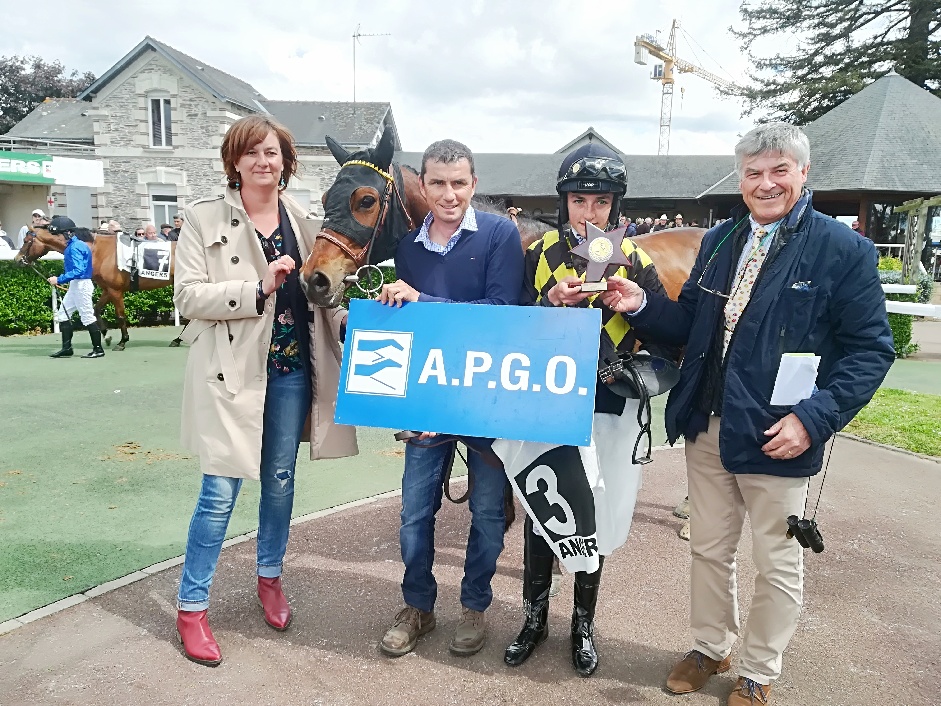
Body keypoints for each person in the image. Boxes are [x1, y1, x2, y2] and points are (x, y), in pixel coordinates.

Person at [601, 122, 894, 706]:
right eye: (754, 173)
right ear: (740, 180)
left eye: (779, 171)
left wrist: (815, 418)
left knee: (776, 559)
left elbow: (870, 350)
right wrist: (641, 305)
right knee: (709, 547)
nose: (766, 184)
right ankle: (712, 646)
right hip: (707, 422)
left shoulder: (844, 250)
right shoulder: (719, 243)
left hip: (779, 433)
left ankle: (759, 671)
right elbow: (690, 326)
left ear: (803, 174)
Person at [173, 114, 356, 667]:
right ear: (235, 161)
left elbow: (327, 293)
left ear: (286, 162)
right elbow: (187, 297)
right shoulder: (203, 219)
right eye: (252, 153)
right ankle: (192, 606)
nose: (263, 162)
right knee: (220, 491)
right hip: (234, 373)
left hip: (293, 371)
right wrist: (257, 288)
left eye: (273, 153)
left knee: (280, 482)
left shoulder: (304, 221)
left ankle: (270, 578)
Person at [496, 142, 679, 677]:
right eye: (580, 200)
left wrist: (634, 305)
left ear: (616, 205)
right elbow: (507, 327)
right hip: (547, 400)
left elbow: (667, 333)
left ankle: (583, 624)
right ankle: (533, 619)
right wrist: (548, 304)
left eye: (601, 202)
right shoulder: (538, 252)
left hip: (608, 399)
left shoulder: (637, 258)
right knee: (541, 508)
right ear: (564, 201)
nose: (589, 212)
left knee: (594, 513)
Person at [376, 139, 524, 659]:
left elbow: (502, 312)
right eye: (437, 182)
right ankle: (418, 606)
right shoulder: (407, 246)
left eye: (458, 182)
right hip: (426, 396)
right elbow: (400, 322)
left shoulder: (502, 234)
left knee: (486, 512)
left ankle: (475, 607)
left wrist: (424, 301)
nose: (448, 193)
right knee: (414, 511)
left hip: (486, 397)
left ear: (473, 184)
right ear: (421, 184)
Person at [46, 218, 104, 359]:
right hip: (76, 284)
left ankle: (98, 349)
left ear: (68, 233)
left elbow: (79, 270)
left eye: (59, 234)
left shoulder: (76, 247)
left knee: (87, 316)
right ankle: (67, 348)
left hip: (82, 284)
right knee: (63, 314)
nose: (58, 238)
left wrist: (59, 279)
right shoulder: (74, 245)